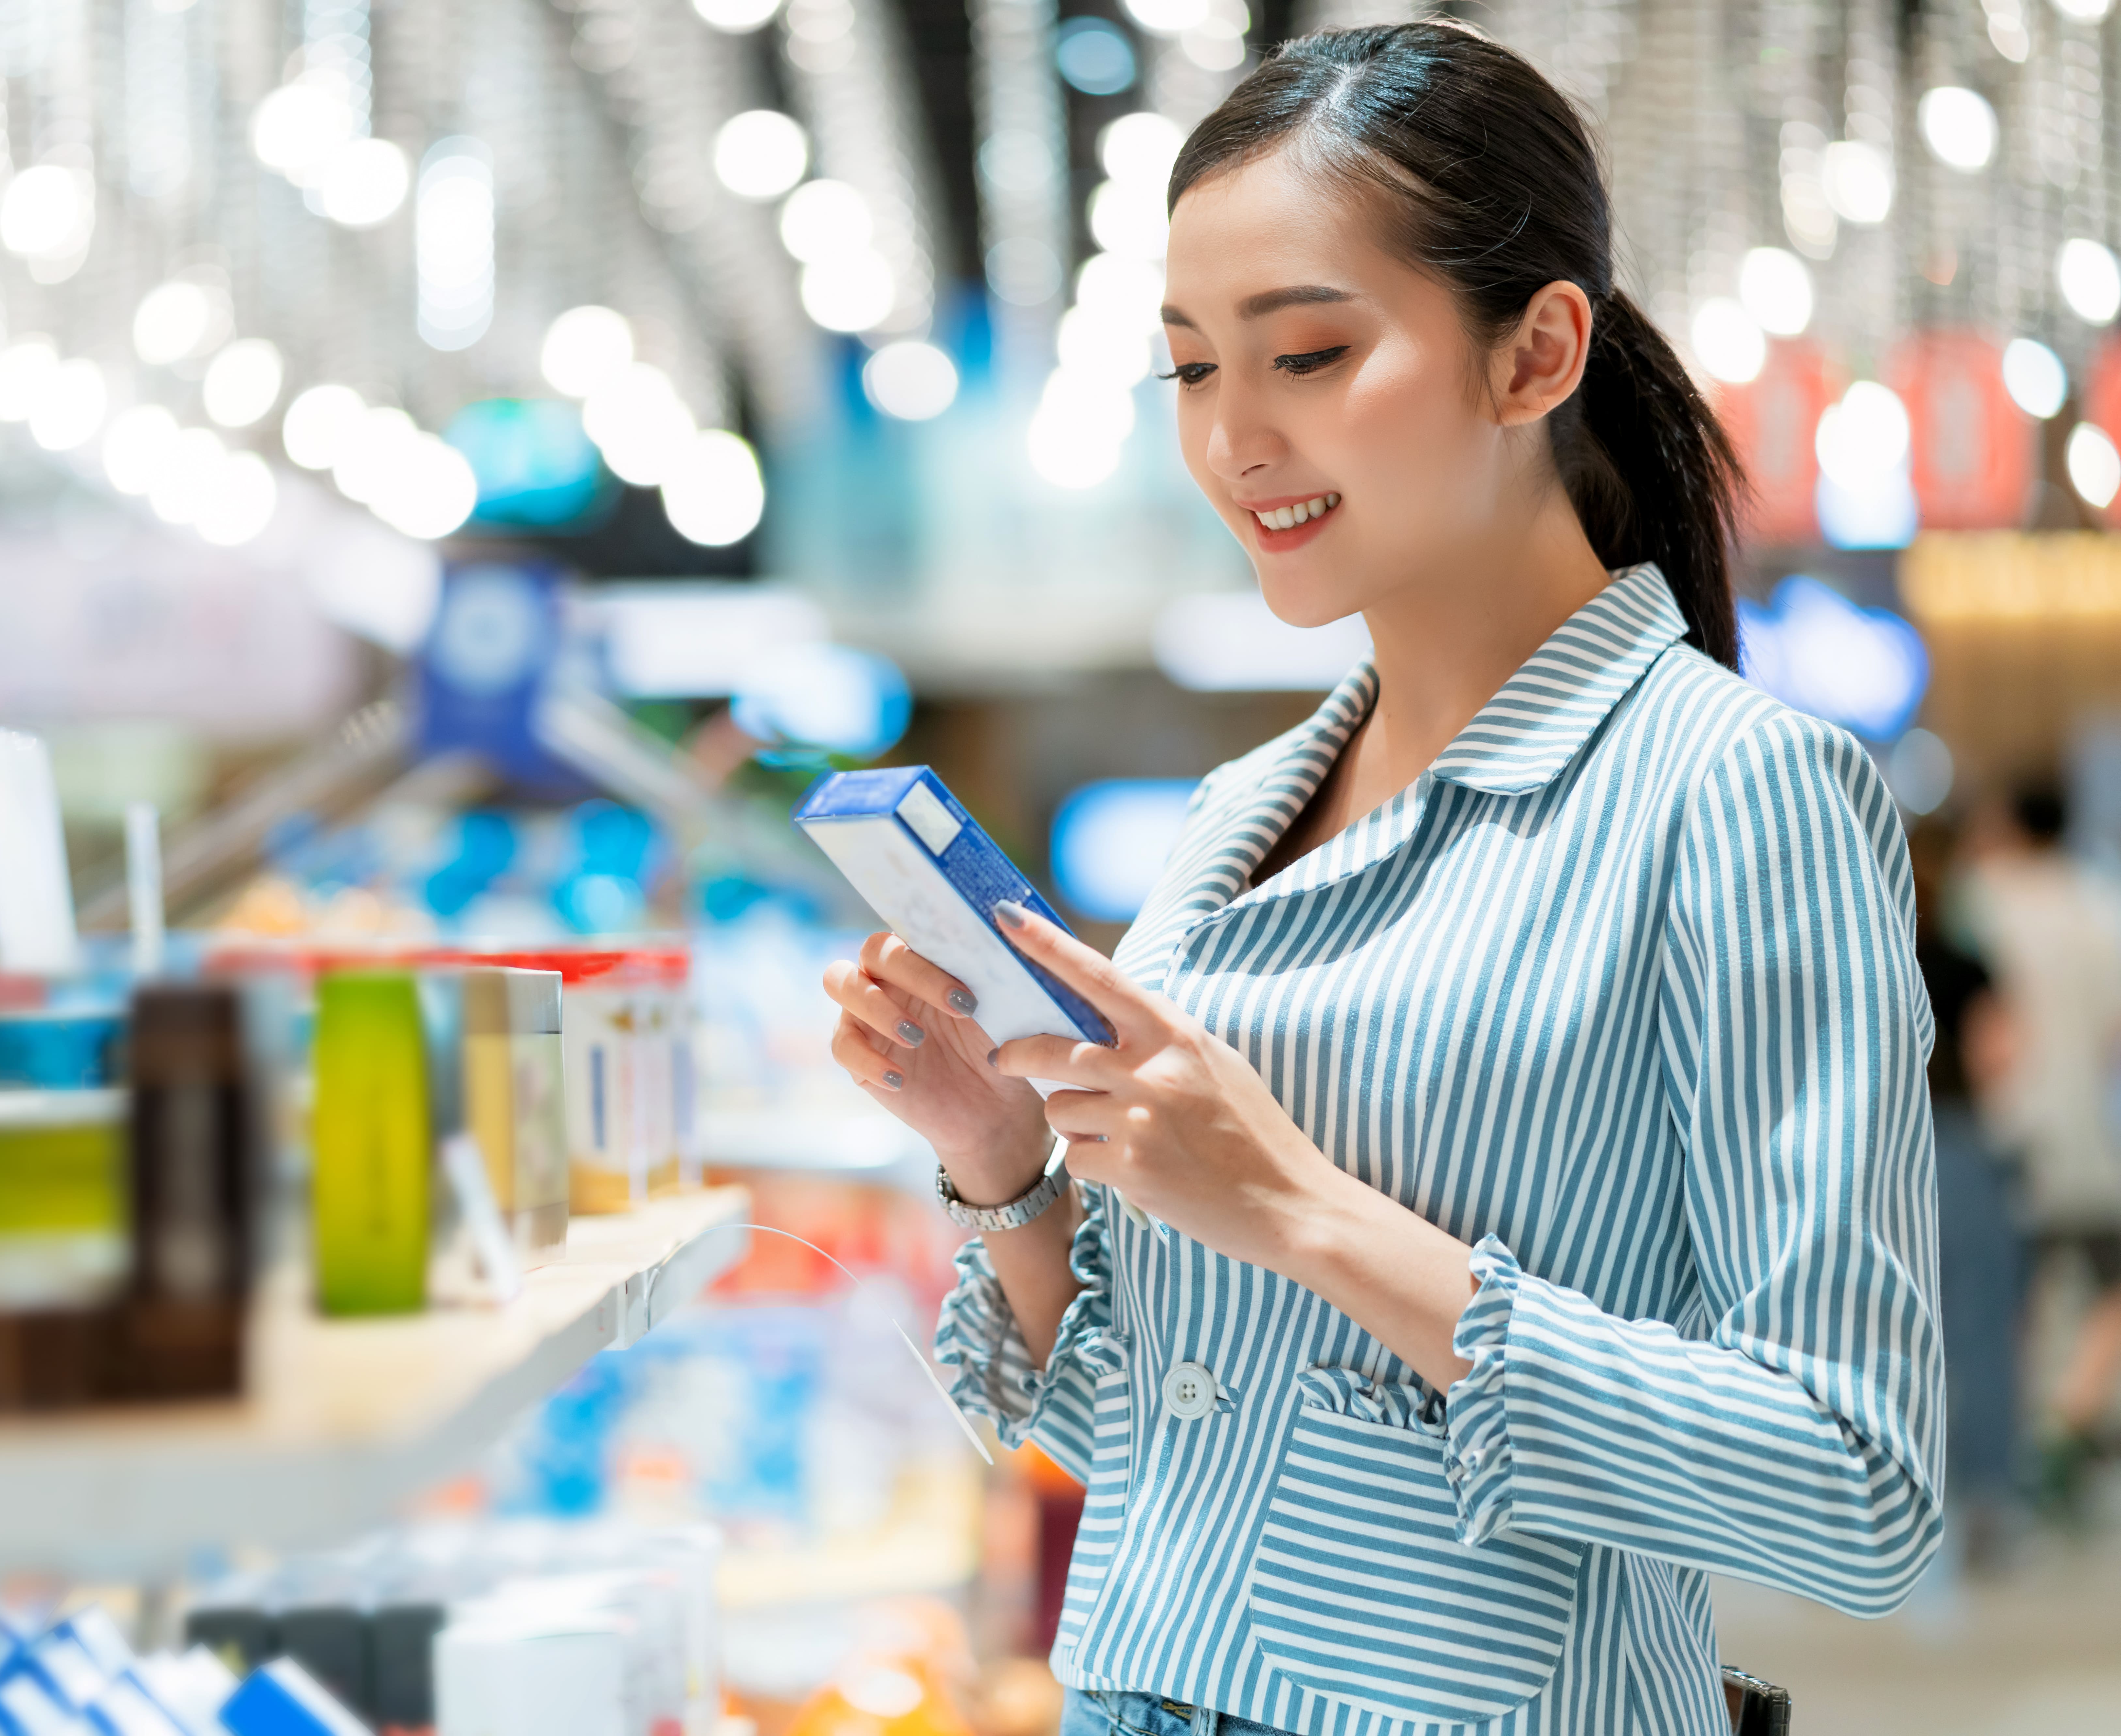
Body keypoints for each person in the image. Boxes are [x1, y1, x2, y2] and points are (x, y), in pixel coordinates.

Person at [820, 23, 1941, 1736]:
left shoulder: (1738, 793)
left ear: (1536, 350)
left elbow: (1857, 1482)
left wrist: (1304, 1209)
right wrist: (1005, 1159)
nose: (1234, 439)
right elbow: (1136, 1441)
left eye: (1312, 354)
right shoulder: (1234, 814)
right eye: (1194, 369)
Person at [1960, 779, 2121, 1521]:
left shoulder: (1979, 897)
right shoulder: (2104, 903)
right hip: (2084, 1130)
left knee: (2008, 1300)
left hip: (1995, 1131)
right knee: (2114, 1285)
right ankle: (2065, 1424)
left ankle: (2015, 1444)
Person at [1910, 817, 2028, 1567]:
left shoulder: (1857, 947)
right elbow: (1998, 1053)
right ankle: (1986, 1500)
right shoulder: (1961, 958)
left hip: (1873, 1157)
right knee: (1981, 1327)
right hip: (1955, 1145)